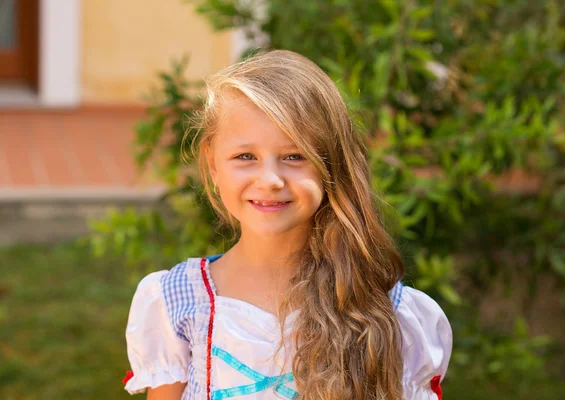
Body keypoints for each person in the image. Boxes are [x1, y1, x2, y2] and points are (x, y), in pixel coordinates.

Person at [123, 50, 452, 400]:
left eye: (295, 156)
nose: (270, 180)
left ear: (332, 166)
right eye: (245, 157)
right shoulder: (175, 301)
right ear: (213, 163)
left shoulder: (386, 312)